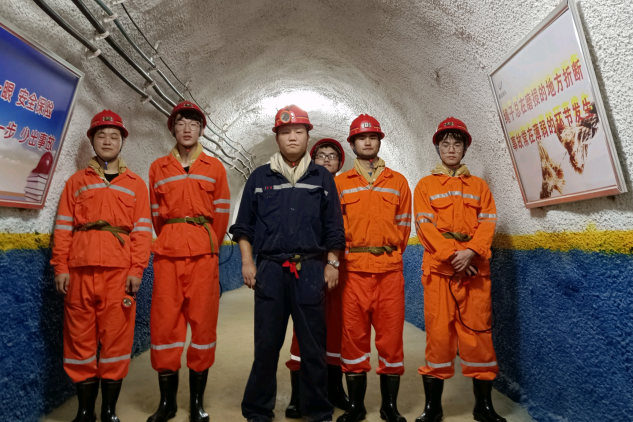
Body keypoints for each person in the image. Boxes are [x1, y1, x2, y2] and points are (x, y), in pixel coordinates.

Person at [230, 105, 345, 422]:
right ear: (277, 137)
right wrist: (247, 262)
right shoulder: (259, 177)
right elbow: (243, 226)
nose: (292, 137)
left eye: (298, 131)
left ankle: (317, 411)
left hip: (310, 269)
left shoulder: (321, 177)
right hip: (270, 269)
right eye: (285, 132)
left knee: (313, 347)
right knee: (266, 346)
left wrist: (332, 263)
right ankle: (257, 410)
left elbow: (334, 226)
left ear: (308, 136)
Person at [51, 110, 152, 422]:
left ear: (122, 142)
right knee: (79, 339)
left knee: (116, 340)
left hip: (119, 275)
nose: (107, 141)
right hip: (79, 272)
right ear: (92, 141)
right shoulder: (76, 182)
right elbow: (63, 227)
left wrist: (137, 270)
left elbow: (142, 232)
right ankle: (85, 412)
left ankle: (108, 411)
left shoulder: (136, 185)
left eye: (114, 136)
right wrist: (60, 267)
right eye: (101, 135)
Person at [413, 117, 505, 422]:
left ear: (465, 149)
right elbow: (424, 226)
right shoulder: (425, 186)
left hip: (475, 272)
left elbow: (488, 222)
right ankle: (433, 408)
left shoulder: (479, 186)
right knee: (439, 336)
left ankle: (483, 407)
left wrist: (471, 252)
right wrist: (455, 257)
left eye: (457, 144)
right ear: (438, 148)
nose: (451, 149)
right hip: (440, 272)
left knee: (479, 336)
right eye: (445, 144)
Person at [147, 101, 231, 422]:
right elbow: (156, 215)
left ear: (201, 130)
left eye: (193, 124)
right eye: (181, 123)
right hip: (168, 254)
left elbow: (220, 213)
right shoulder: (158, 168)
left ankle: (197, 403)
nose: (187, 129)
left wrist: (206, 242)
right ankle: (167, 404)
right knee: (165, 324)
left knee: (203, 324)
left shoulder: (215, 167)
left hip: (203, 255)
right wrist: (173, 234)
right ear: (173, 128)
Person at [336, 114, 412, 422]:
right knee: (352, 339)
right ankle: (356, 406)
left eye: (372, 137)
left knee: (391, 340)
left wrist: (388, 253)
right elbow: (334, 228)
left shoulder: (398, 182)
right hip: (352, 272)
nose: (367, 142)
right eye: (361, 138)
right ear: (352, 143)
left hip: (389, 272)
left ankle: (388, 407)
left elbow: (403, 227)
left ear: (379, 141)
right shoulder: (340, 183)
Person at [284, 138, 349, 418]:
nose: (326, 159)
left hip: (340, 266)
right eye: (321, 155)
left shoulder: (348, 188)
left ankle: (334, 389)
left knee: (336, 328)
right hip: (308, 264)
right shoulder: (301, 187)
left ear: (340, 162)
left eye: (332, 156)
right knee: (303, 328)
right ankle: (298, 395)